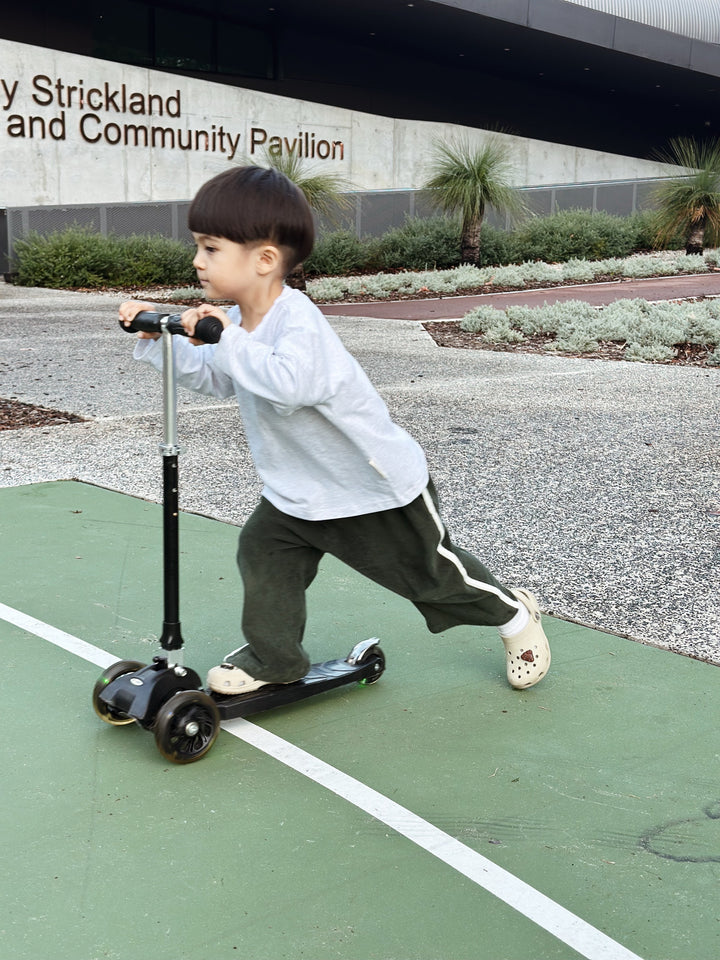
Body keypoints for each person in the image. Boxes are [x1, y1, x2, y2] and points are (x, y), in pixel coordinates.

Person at [119, 165, 551, 696]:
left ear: (264, 259)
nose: (197, 260)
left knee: (430, 578)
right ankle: (275, 658)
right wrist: (157, 337)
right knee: (262, 552)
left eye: (210, 248)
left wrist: (223, 337)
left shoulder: (298, 321)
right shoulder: (237, 325)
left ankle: (512, 615)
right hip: (298, 490)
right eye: (199, 247)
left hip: (370, 487)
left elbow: (288, 384)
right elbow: (219, 377)